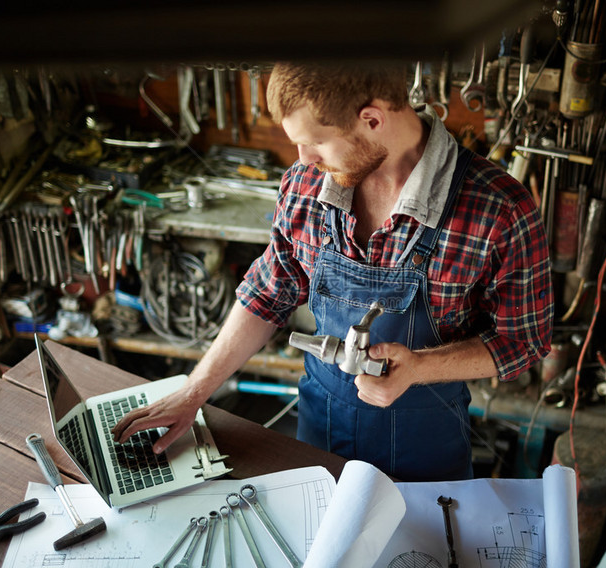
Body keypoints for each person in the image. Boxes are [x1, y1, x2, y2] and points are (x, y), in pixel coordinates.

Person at [113, 62, 553, 481]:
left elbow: (523, 341)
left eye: (316, 143)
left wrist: (419, 367)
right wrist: (194, 393)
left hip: (425, 454)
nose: (303, 159)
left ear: (372, 120)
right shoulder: (305, 185)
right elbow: (268, 294)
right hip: (319, 437)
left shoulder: (499, 209)